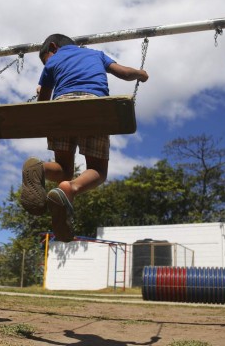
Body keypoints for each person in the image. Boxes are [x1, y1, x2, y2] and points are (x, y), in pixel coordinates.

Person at [21, 34, 149, 242]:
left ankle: (40, 169)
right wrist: (140, 74)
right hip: (93, 108)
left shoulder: (53, 61)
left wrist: (42, 90)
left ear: (53, 47)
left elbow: (43, 101)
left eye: (45, 58)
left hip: (60, 108)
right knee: (98, 170)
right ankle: (69, 188)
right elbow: (124, 73)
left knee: (63, 168)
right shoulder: (96, 54)